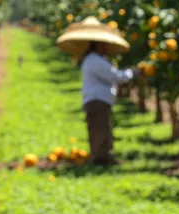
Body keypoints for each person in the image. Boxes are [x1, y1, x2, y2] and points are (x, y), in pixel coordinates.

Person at [56, 17, 139, 165]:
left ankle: (105, 158)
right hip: (97, 100)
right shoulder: (95, 60)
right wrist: (133, 72)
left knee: (101, 130)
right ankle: (100, 159)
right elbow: (116, 76)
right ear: (99, 44)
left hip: (96, 100)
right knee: (100, 131)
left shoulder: (93, 59)